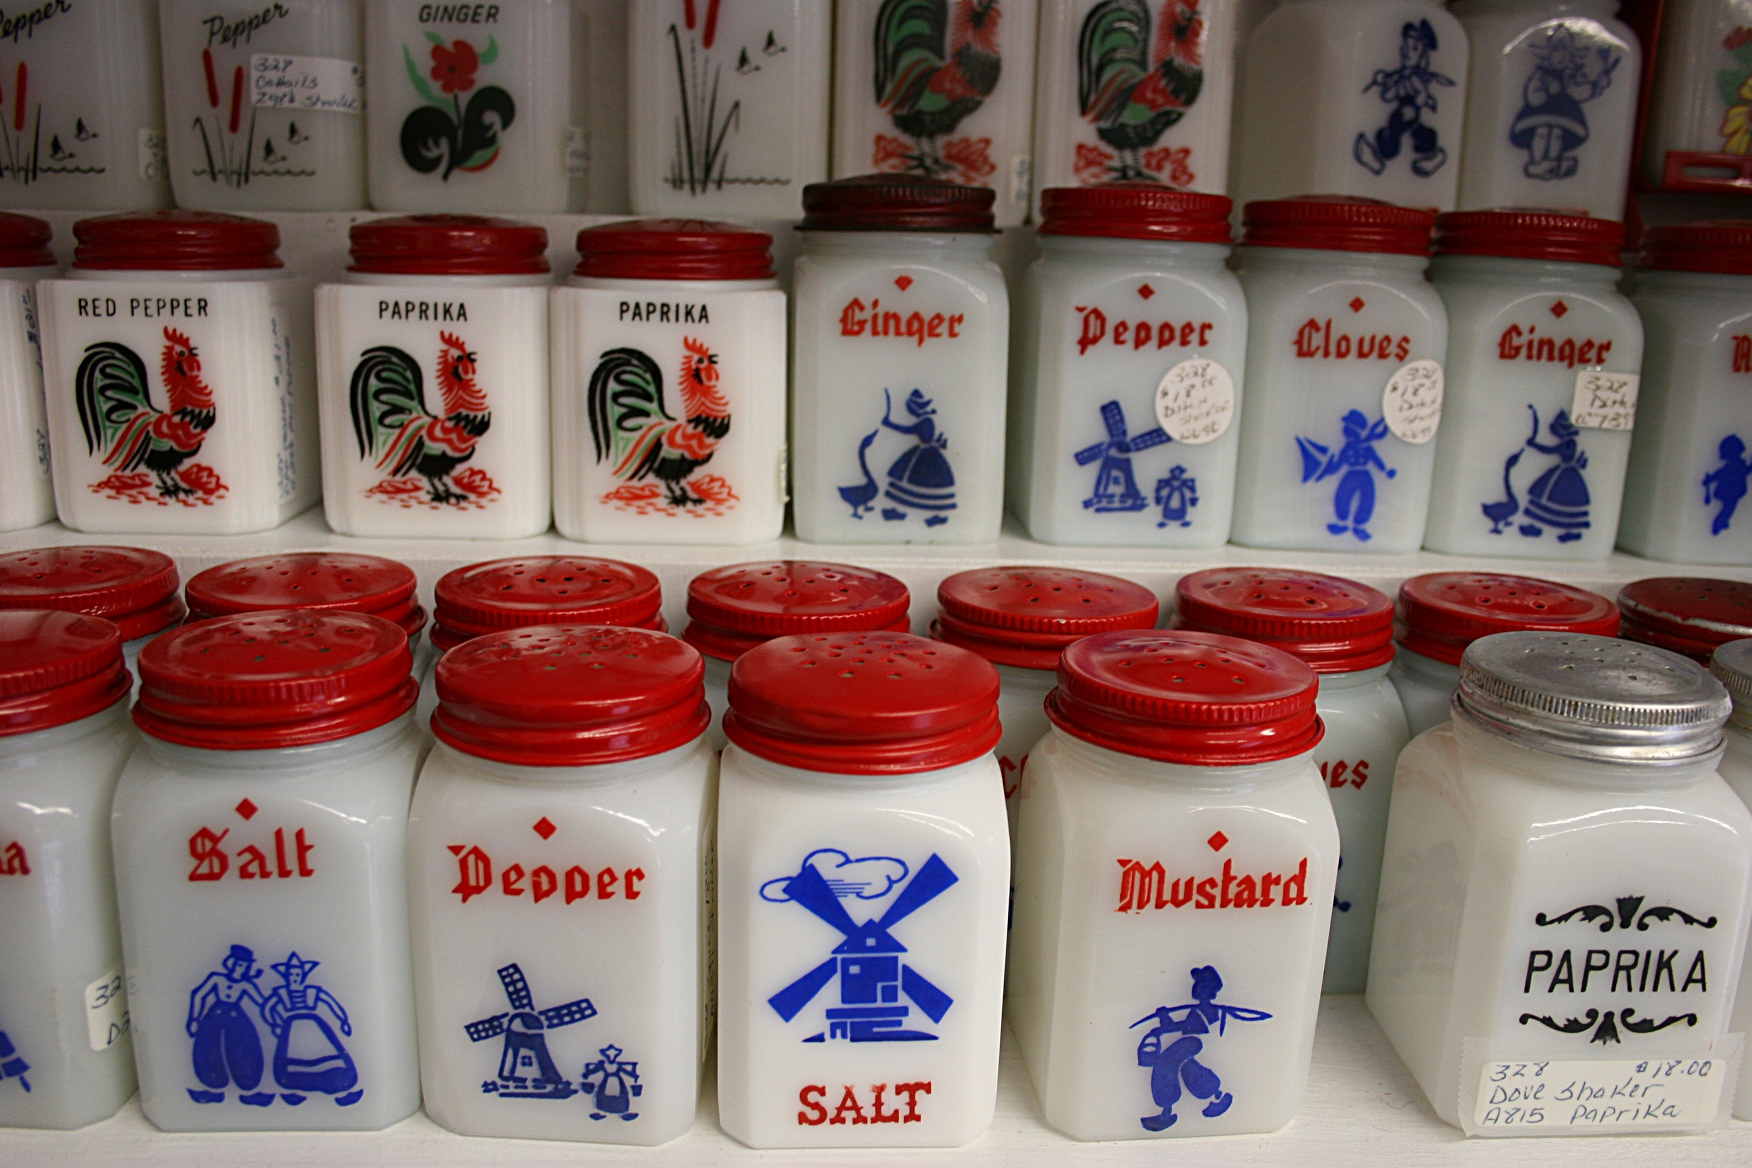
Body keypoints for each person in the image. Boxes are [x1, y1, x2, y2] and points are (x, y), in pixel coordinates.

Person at [1355, 19, 1454, 178]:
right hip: (1402, 114)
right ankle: (1380, 157)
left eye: (1414, 48)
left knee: (1404, 132)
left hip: (1409, 112)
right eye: (1406, 47)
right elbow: (1388, 96)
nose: (1408, 52)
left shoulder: (1414, 79)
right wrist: (1386, 83)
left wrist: (1415, 106)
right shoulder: (1398, 78)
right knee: (1408, 132)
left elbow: (1422, 94)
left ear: (1422, 56)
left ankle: (1431, 156)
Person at [187, 945, 269, 1100]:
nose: (241, 969)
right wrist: (194, 1018)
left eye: (245, 966)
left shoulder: (246, 984)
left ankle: (246, 1082)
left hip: (236, 1019)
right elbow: (199, 995)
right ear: (231, 963)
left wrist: (275, 1016)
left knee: (242, 1046)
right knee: (209, 1046)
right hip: (214, 1018)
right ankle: (212, 1082)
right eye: (239, 965)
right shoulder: (217, 978)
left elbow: (263, 1002)